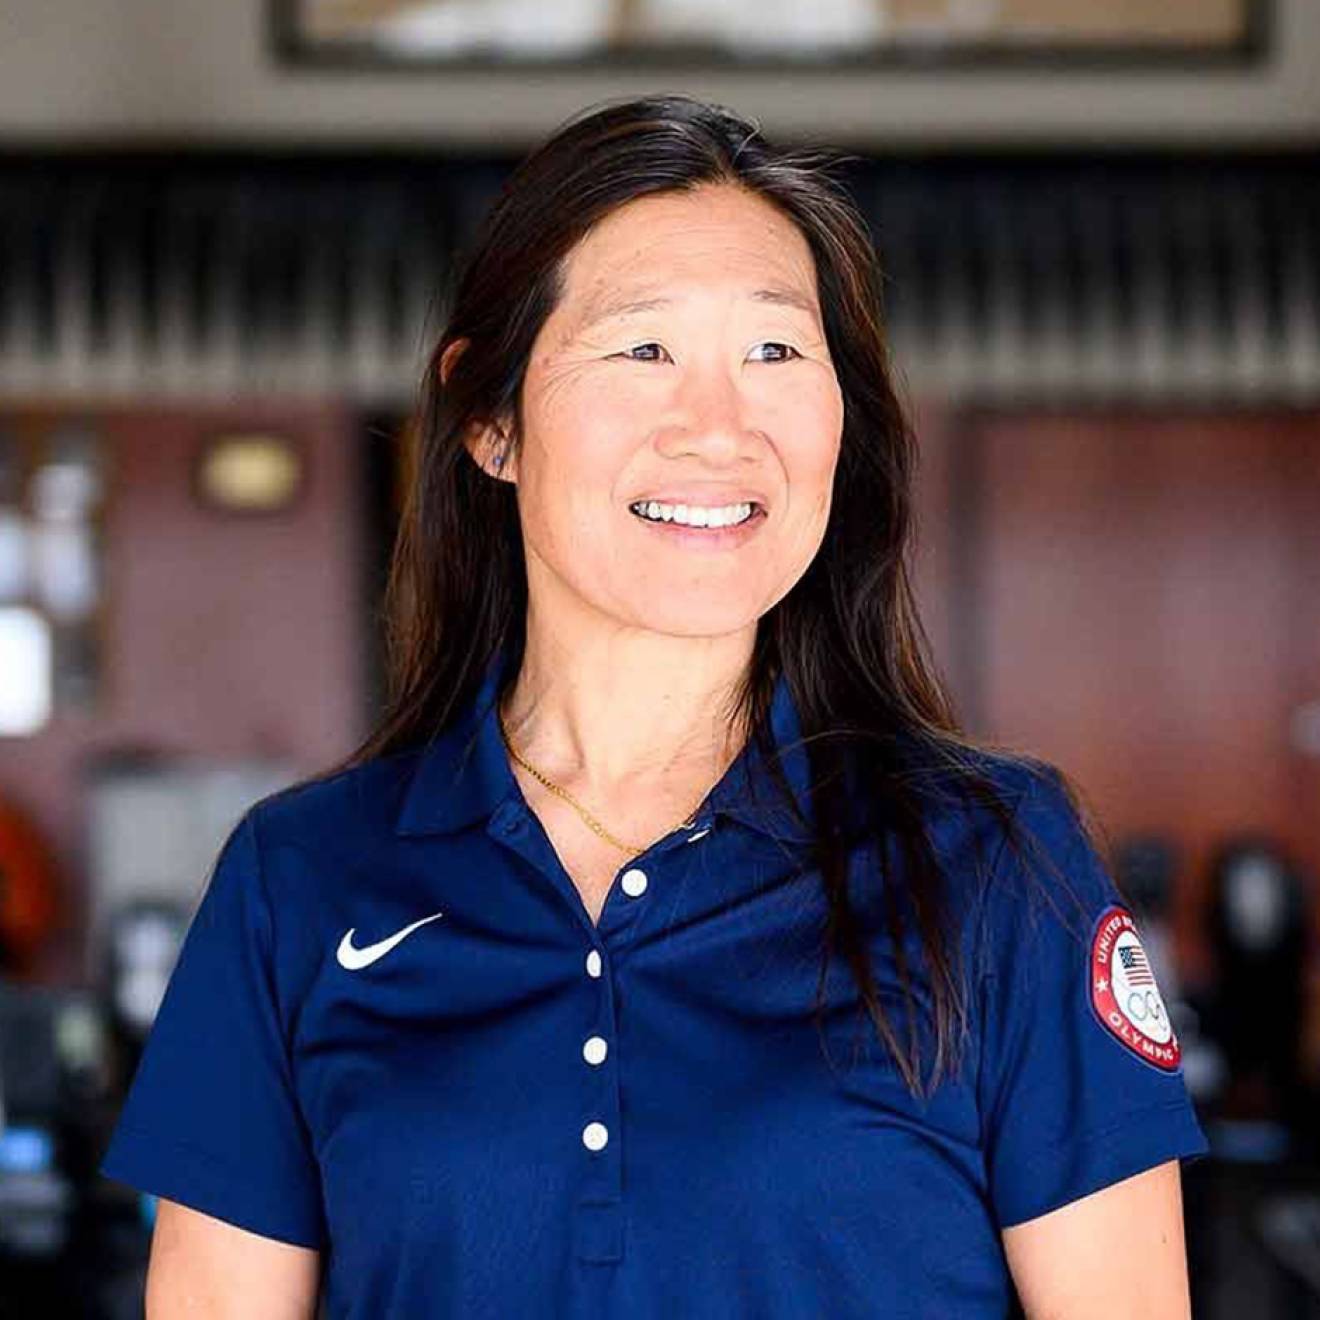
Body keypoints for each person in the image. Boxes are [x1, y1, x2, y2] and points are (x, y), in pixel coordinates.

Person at [98, 93, 1208, 1318]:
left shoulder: (996, 860)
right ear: (489, 416)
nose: (719, 426)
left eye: (776, 352)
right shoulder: (300, 882)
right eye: (643, 350)